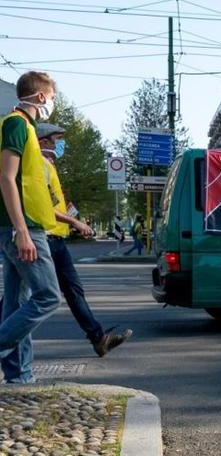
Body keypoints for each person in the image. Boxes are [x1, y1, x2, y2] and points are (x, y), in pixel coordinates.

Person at [36, 123, 133, 356]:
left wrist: (74, 220)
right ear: (42, 142)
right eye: (56, 139)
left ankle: (99, 339)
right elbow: (43, 206)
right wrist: (75, 222)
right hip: (45, 238)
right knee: (26, 296)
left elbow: (56, 202)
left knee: (73, 291)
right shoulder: (38, 165)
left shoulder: (50, 166)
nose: (61, 144)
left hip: (57, 240)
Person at [0, 71, 63, 384]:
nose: (52, 102)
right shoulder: (16, 124)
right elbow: (7, 178)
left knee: (16, 304)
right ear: (40, 97)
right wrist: (22, 230)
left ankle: (19, 376)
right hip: (22, 228)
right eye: (51, 97)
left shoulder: (22, 126)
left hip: (19, 226)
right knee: (48, 296)